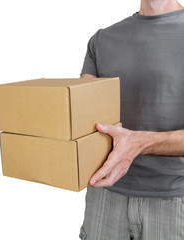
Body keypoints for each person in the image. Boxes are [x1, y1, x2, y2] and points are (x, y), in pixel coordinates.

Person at [79, 0, 184, 239]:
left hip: (174, 201)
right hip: (104, 195)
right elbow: (82, 120)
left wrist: (140, 142)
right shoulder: (102, 40)